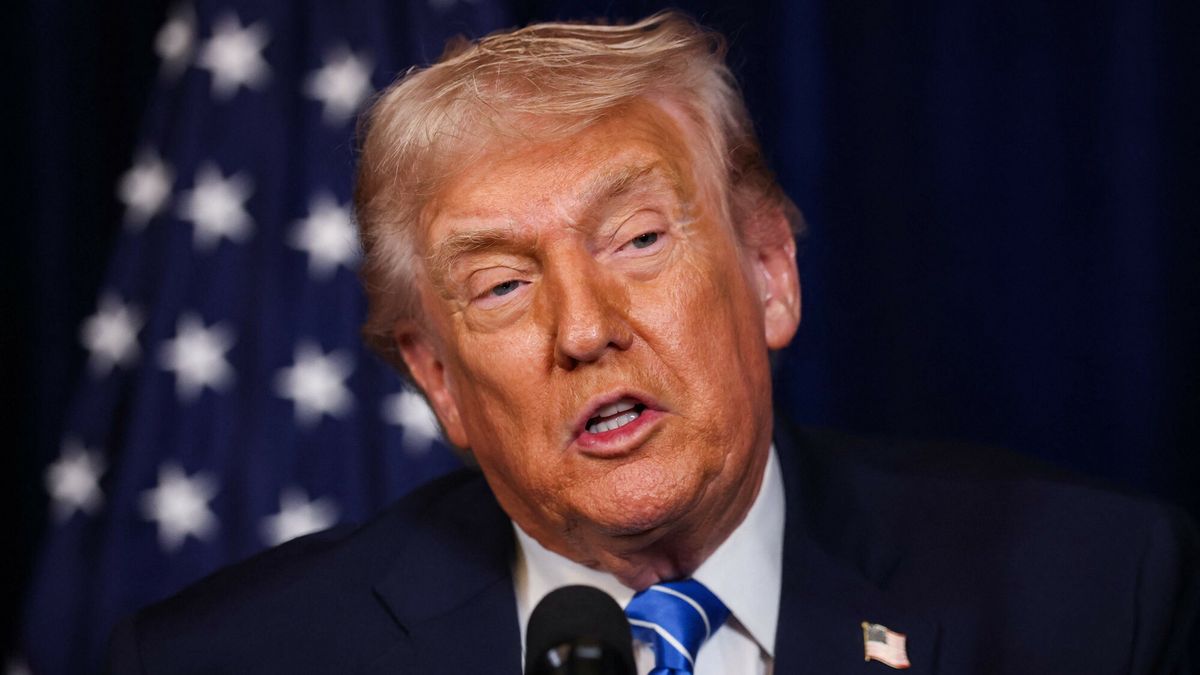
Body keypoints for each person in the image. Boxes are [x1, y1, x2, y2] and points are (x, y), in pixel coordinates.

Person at [110, 11, 1198, 674]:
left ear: (770, 272)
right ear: (437, 379)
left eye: (637, 239)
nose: (584, 330)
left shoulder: (1092, 595)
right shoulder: (233, 661)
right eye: (500, 284)